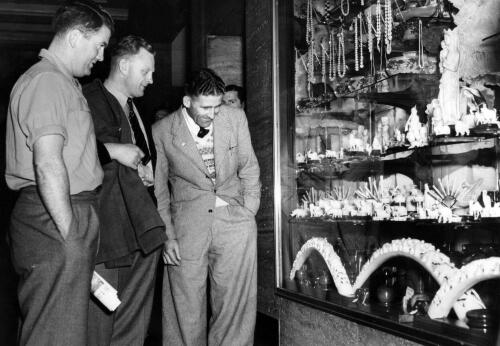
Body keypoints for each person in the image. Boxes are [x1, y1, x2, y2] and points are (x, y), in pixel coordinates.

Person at [4, 1, 113, 345]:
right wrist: (71, 236)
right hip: (54, 216)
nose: (100, 57)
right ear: (75, 37)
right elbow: (48, 163)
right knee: (56, 336)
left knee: (56, 330)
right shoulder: (47, 82)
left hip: (61, 214)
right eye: (99, 45)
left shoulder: (62, 82)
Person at [153, 68, 261, 346]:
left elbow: (249, 167)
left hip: (234, 220)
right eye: (205, 107)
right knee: (184, 306)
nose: (213, 114)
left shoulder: (235, 118)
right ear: (187, 101)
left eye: (217, 106)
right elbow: (160, 190)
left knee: (235, 304)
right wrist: (168, 235)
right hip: (187, 226)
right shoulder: (162, 131)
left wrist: (248, 212)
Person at [83, 35, 166, 345]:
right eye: (145, 71)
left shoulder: (133, 107)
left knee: (132, 325)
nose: (151, 79)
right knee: (99, 325)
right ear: (123, 65)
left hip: (141, 233)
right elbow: (69, 154)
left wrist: (144, 173)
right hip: (107, 235)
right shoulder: (87, 99)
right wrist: (114, 151)